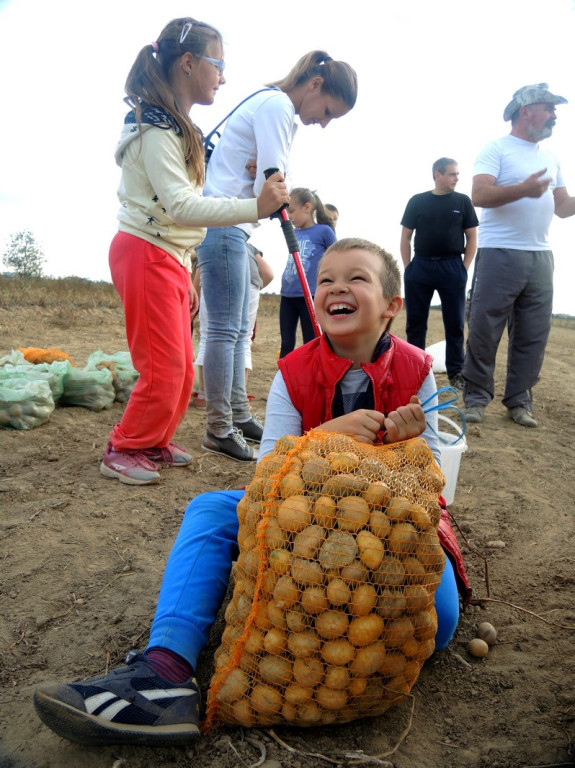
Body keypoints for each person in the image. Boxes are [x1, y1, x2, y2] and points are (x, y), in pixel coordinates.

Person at [33, 238, 465, 748]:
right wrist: (330, 434)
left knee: (441, 626)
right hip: (294, 524)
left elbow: (436, 481)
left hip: (390, 529)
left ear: (392, 305)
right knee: (210, 508)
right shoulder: (292, 372)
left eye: (356, 278)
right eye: (325, 279)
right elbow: (267, 475)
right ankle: (164, 669)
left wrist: (405, 441)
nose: (337, 288)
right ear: (313, 298)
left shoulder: (419, 373)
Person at [99, 17, 288, 486]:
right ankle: (124, 446)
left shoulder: (177, 126)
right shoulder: (155, 128)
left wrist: (185, 273)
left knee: (183, 368)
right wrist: (256, 205)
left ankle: (153, 439)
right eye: (217, 64)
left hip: (166, 254)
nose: (223, 77)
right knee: (162, 367)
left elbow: (185, 202)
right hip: (144, 251)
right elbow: (181, 205)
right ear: (188, 63)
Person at [197, 51, 358, 462]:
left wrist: (267, 181)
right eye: (327, 112)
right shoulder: (278, 107)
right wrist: (268, 180)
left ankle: (238, 413)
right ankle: (218, 427)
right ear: (315, 85)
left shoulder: (274, 107)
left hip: (235, 227)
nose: (323, 122)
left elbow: (268, 181)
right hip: (224, 225)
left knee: (235, 330)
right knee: (222, 330)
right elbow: (272, 182)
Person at [463, 84, 575, 427]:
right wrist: (523, 189)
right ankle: (476, 399)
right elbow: (479, 194)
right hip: (500, 253)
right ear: (525, 111)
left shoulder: (551, 156)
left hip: (541, 256)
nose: (555, 114)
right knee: (485, 328)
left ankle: (519, 402)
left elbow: (561, 206)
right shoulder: (496, 149)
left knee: (533, 333)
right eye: (548, 107)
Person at [400, 158, 478, 391]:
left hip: (452, 266)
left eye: (457, 174)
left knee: (455, 322)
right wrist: (408, 267)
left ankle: (456, 371)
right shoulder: (418, 201)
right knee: (415, 323)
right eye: (452, 174)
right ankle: (415, 368)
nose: (456, 178)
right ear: (438, 174)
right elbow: (405, 237)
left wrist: (463, 268)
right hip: (420, 267)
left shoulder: (463, 202)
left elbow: (472, 237)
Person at [192, 243, 273, 406]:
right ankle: (238, 397)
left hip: (213, 281)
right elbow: (268, 274)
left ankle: (204, 395)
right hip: (249, 283)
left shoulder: (209, 241)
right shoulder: (248, 246)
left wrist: (193, 309)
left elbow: (197, 283)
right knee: (243, 341)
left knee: (207, 336)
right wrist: (253, 287)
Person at [279, 188, 337, 358]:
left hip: (310, 296)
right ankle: (283, 381)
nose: (289, 216)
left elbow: (335, 259)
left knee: (311, 343)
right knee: (286, 343)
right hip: (287, 295)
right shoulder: (292, 232)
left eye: (291, 211)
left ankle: (312, 380)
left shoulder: (324, 231)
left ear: (307, 207)